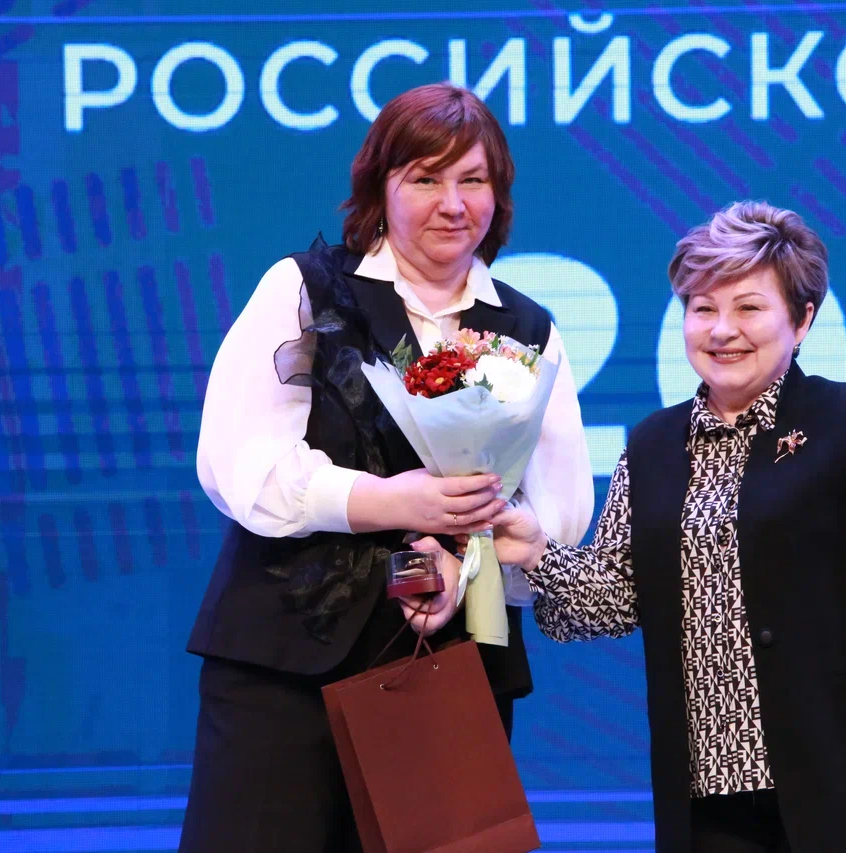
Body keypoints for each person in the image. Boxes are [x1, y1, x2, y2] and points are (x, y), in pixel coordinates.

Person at [490, 201, 846, 853]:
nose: (723, 330)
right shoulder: (653, 445)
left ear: (801, 319)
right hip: (711, 801)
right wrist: (536, 552)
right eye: (702, 309)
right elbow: (610, 602)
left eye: (748, 308)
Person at [179, 83, 593, 853]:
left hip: (447, 669)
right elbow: (240, 463)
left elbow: (555, 522)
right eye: (425, 178)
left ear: (499, 194)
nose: (452, 204)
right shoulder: (305, 289)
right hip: (284, 664)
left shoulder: (529, 330)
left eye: (473, 180)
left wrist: (471, 560)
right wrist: (391, 500)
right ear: (380, 186)